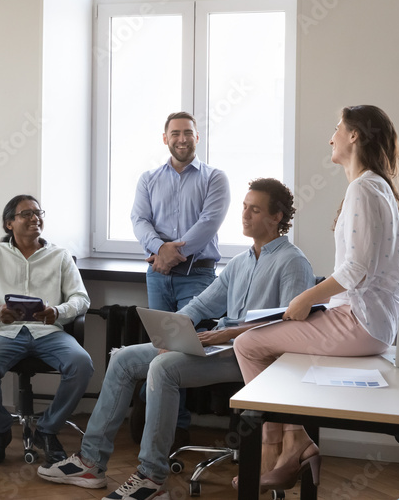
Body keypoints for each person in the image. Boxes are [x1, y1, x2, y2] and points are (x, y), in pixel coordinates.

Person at [39, 178, 314, 500]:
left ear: (277, 217)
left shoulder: (293, 261)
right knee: (124, 358)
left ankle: (152, 479)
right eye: (244, 207)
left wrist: (225, 334)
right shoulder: (241, 261)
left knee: (164, 368)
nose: (245, 214)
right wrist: (172, 332)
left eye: (255, 209)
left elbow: (287, 327)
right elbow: (202, 304)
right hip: (222, 345)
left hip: (254, 357)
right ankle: (90, 462)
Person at [231, 105, 399, 494]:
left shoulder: (363, 188)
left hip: (360, 323)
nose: (331, 138)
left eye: (337, 129)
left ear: (354, 136)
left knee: (247, 344)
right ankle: (291, 445)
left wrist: (304, 299)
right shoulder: (378, 187)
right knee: (279, 351)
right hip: (376, 323)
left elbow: (356, 269)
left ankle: (284, 444)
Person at [0, 194, 93, 465]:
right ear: (9, 223)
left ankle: (47, 430)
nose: (35, 218)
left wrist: (57, 311)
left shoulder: (59, 256)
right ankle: (0, 429)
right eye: (26, 214)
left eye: (38, 213)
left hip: (49, 332)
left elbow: (81, 299)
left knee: (81, 364)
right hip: (6, 332)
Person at [130, 111, 231, 444]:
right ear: (165, 138)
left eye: (188, 132)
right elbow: (139, 220)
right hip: (158, 275)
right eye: (175, 133)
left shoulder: (214, 178)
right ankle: (162, 425)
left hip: (198, 276)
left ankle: (177, 425)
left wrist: (173, 254)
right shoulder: (148, 179)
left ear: (197, 137)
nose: (182, 139)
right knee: (163, 347)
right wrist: (160, 249)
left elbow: (209, 223)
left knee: (183, 350)